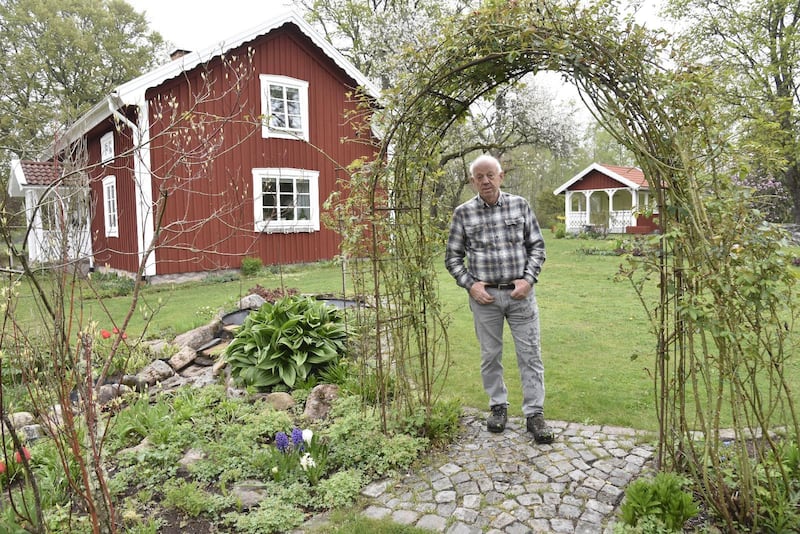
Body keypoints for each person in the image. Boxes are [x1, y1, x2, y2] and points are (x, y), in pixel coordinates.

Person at [444, 154, 554, 443]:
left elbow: (537, 247)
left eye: (490, 175)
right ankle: (498, 407)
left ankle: (535, 414)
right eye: (479, 177)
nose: (485, 181)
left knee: (530, 354)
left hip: (521, 295)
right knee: (490, 355)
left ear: (501, 176)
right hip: (485, 298)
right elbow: (453, 258)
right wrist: (471, 285)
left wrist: (529, 280)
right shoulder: (463, 214)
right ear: (472, 181)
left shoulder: (520, 205)